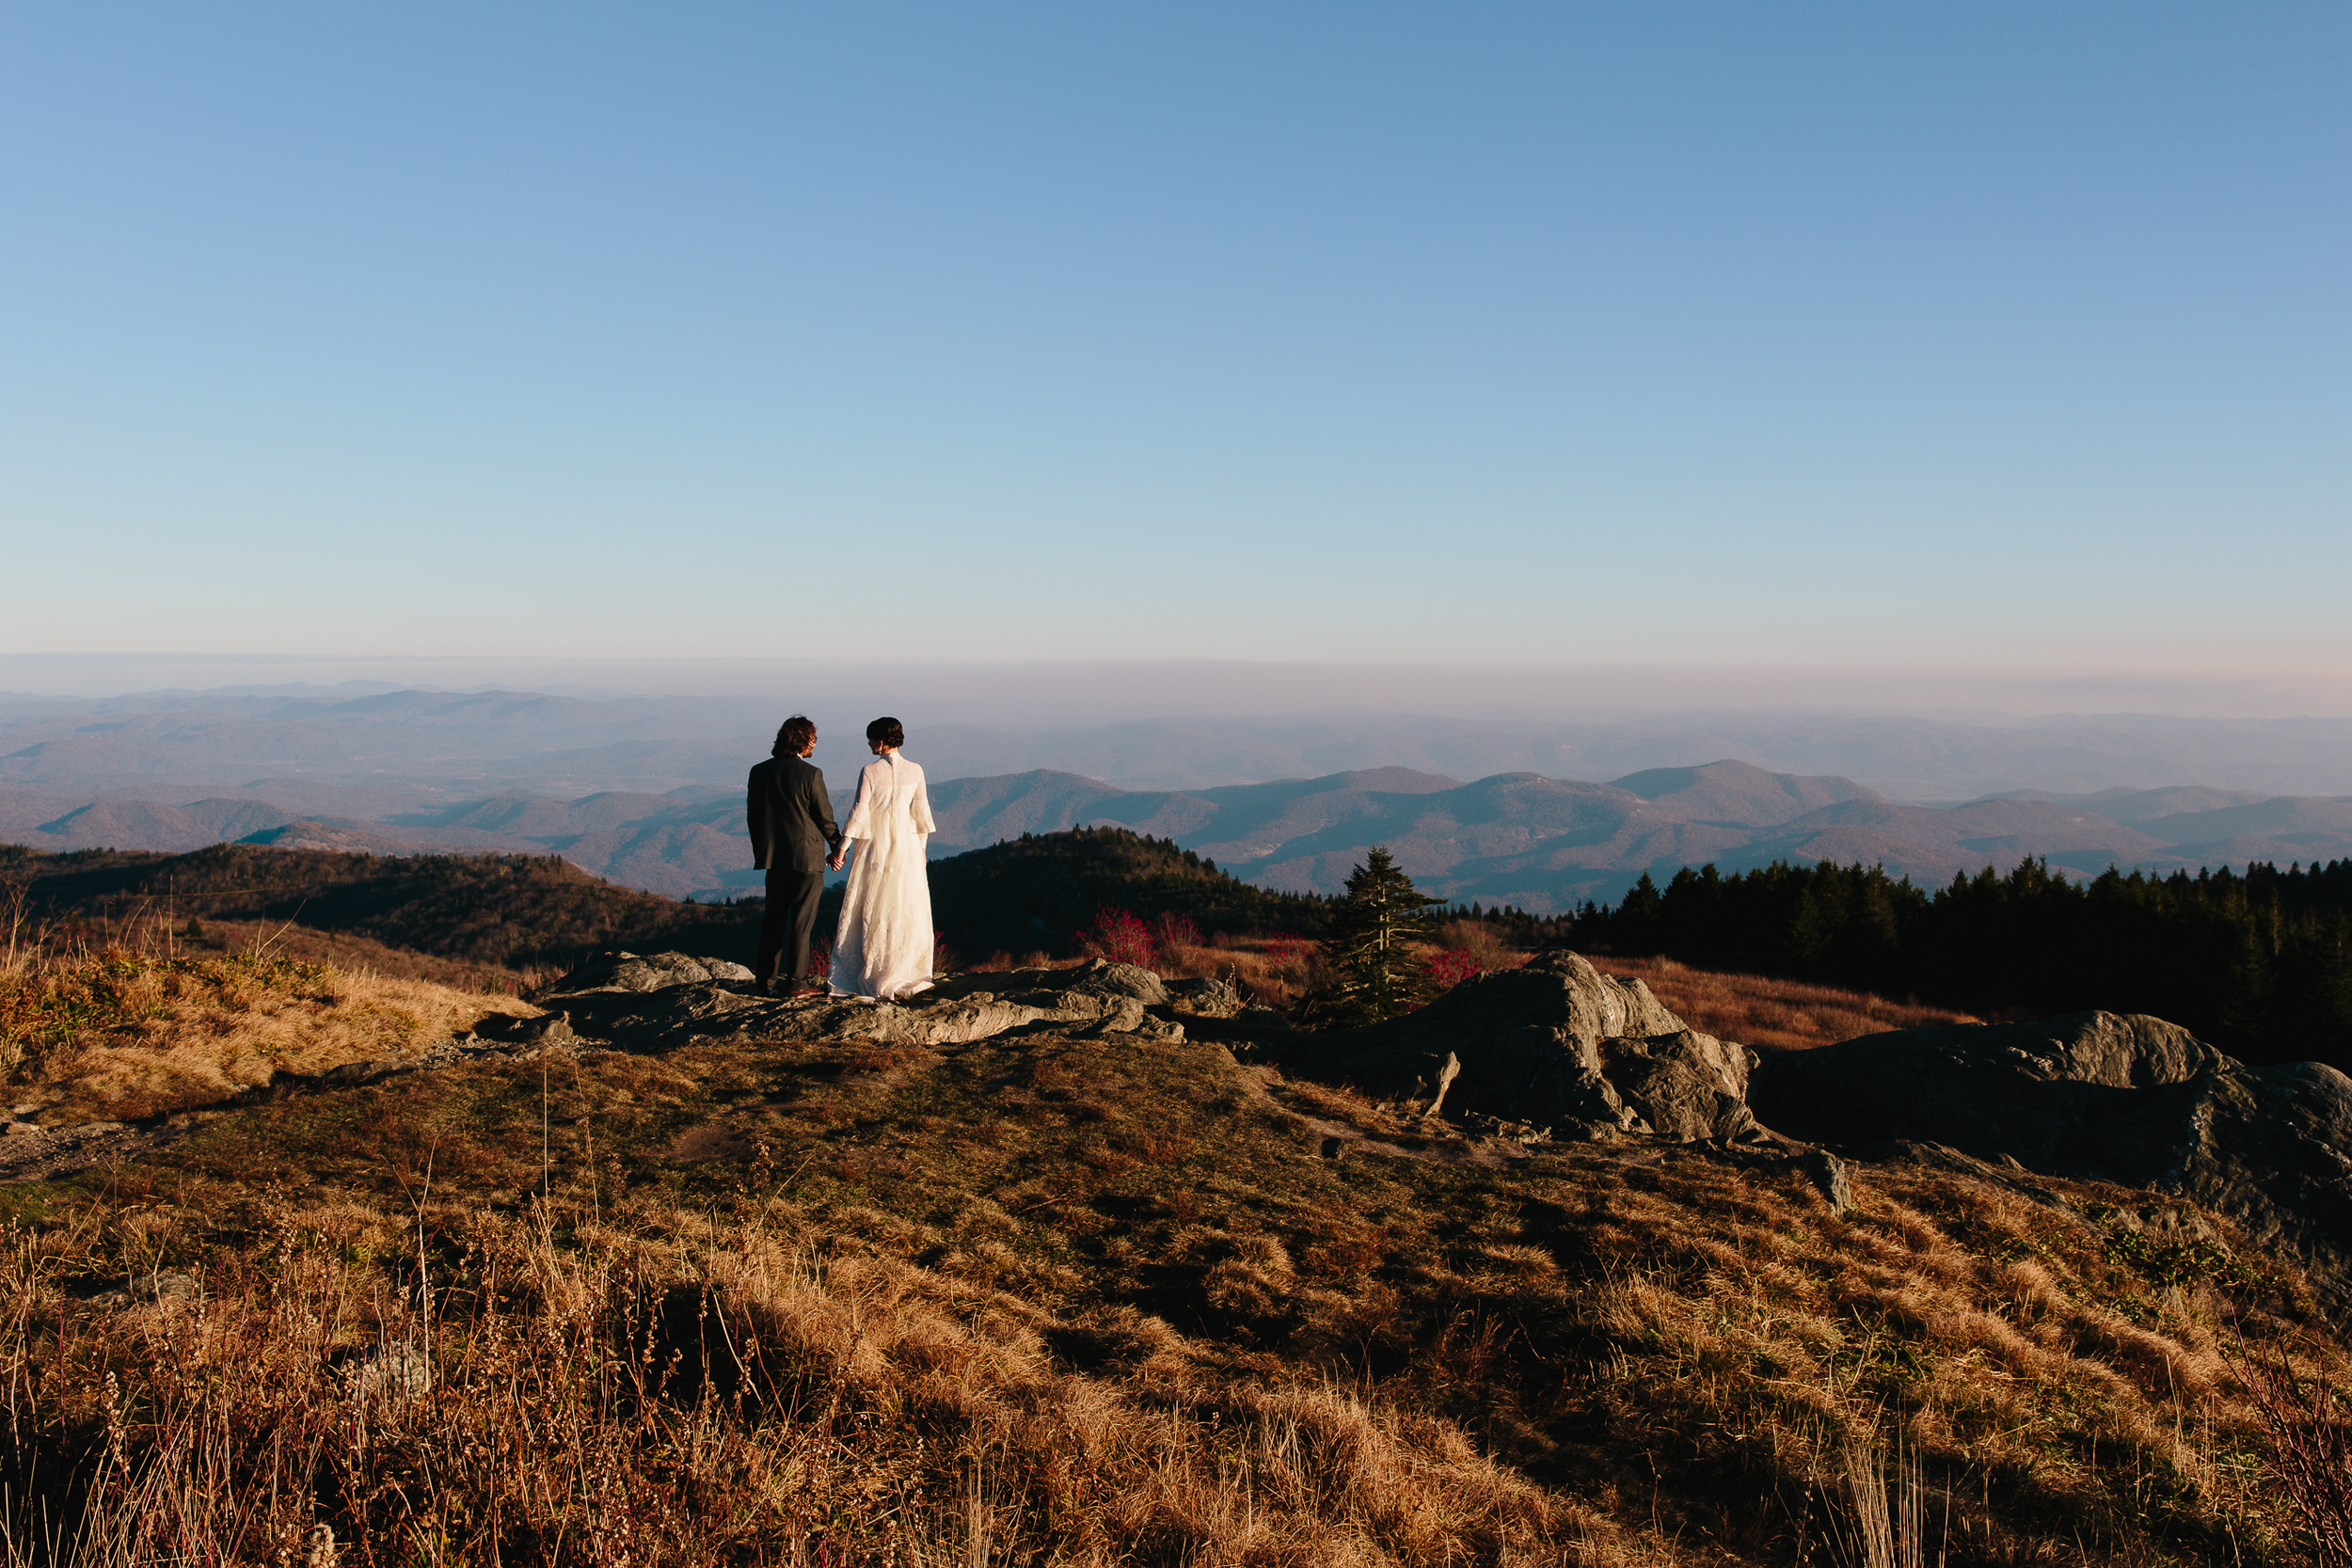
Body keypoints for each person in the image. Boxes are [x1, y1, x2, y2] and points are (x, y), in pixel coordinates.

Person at [827, 716, 937, 999]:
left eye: (870, 739)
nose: (868, 744)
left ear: (880, 740)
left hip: (876, 845)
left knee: (872, 906)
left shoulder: (869, 771)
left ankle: (876, 969)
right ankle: (903, 969)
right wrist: (922, 849)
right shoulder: (916, 770)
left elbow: (859, 811)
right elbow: (921, 813)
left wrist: (842, 847)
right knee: (905, 905)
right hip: (908, 846)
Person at [745, 714, 843, 996]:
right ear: (804, 740)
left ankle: (764, 982)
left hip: (774, 857)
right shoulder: (811, 774)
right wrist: (838, 847)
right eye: (813, 738)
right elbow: (824, 818)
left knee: (772, 920)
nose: (815, 743)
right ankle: (797, 984)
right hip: (808, 859)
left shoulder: (759, 771)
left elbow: (754, 817)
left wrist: (762, 850)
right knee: (801, 923)